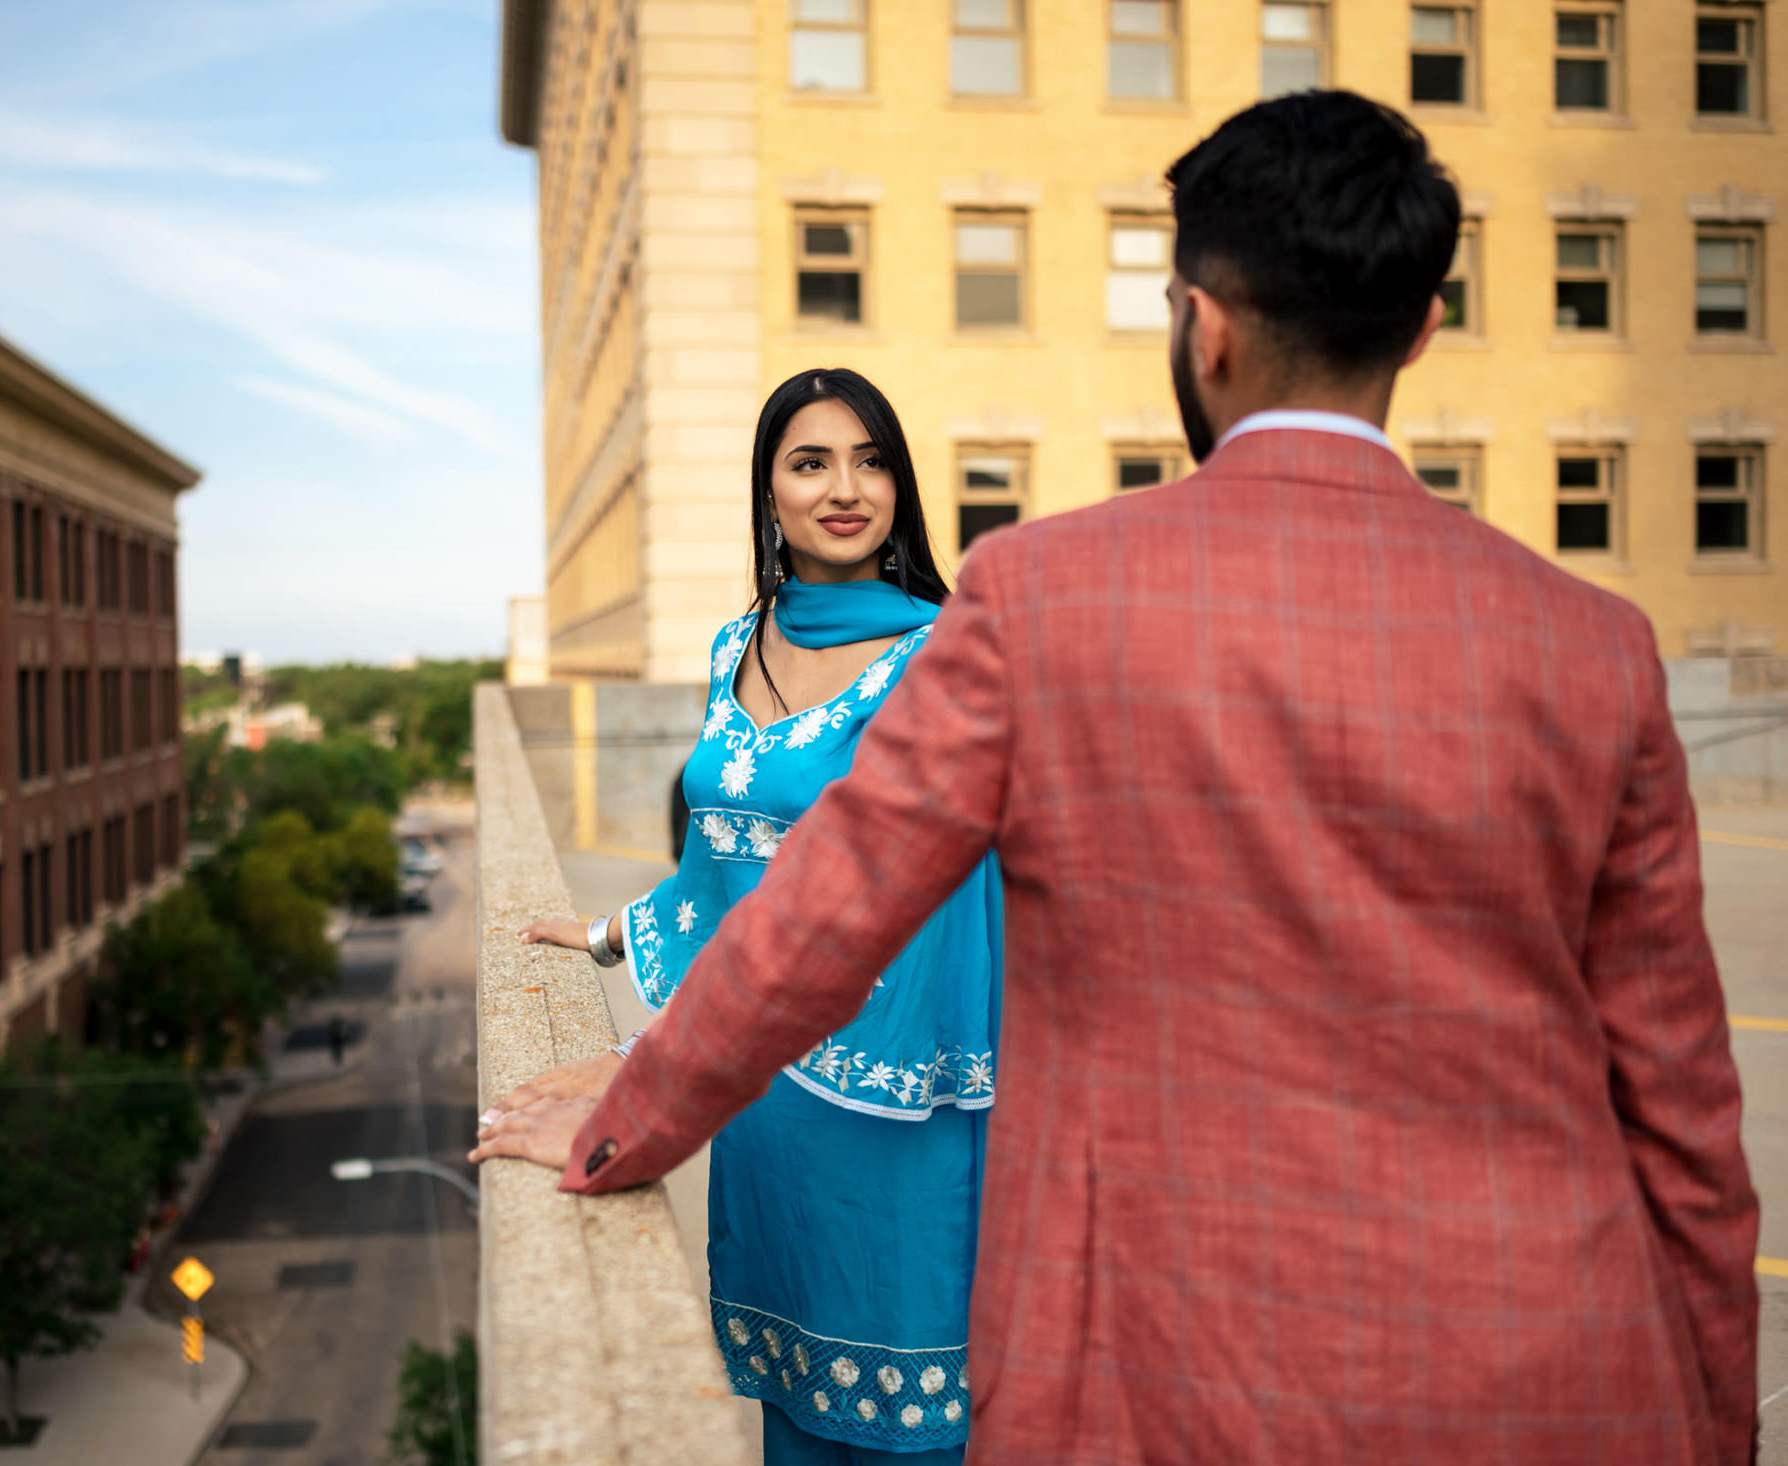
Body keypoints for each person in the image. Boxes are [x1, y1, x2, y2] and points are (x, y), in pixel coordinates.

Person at [470, 92, 1760, 1465]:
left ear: (1202, 327)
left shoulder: (1040, 596)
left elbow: (817, 926)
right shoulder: (1598, 646)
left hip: (1172, 1376)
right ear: (1426, 328)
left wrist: (624, 1117)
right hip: (1551, 1376)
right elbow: (1682, 1114)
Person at [476, 368, 1003, 1465]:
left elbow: (927, 909)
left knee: (908, 1423)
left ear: (901, 486)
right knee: (793, 1416)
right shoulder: (737, 644)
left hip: (890, 1099)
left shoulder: (944, 655)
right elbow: (724, 857)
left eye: (870, 461)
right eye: (811, 461)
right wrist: (614, 930)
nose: (844, 487)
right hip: (770, 1120)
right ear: (769, 491)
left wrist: (655, 1055)